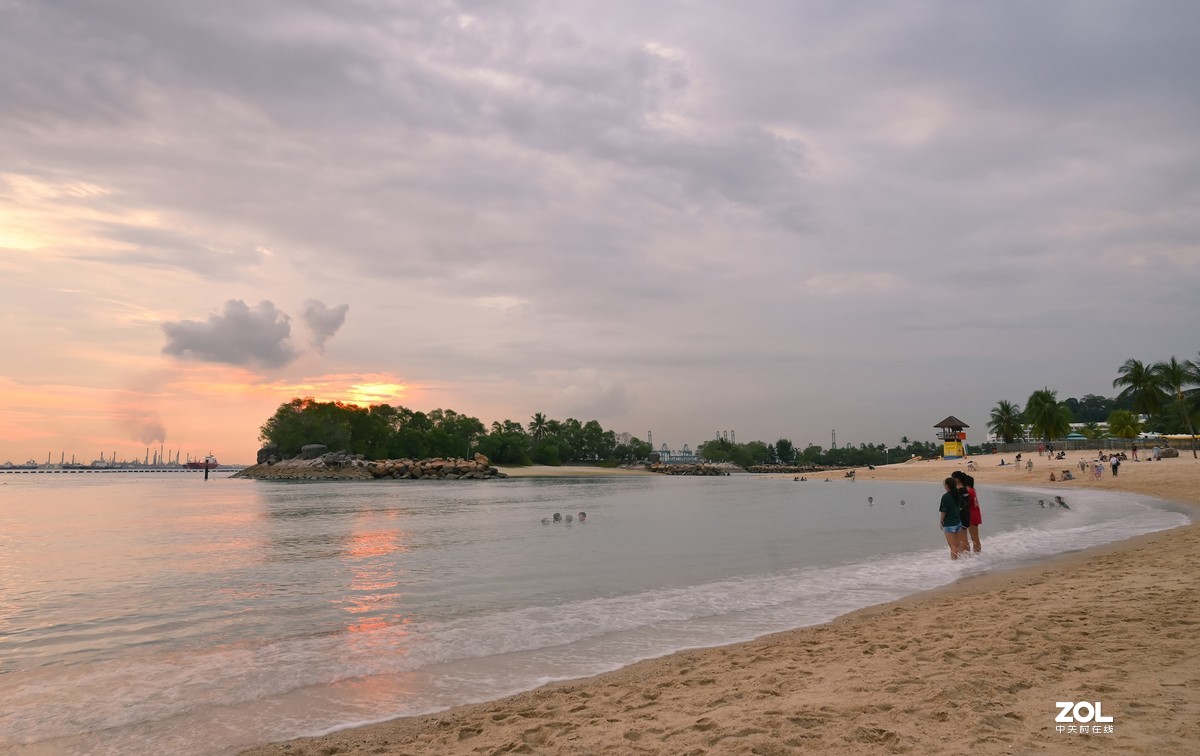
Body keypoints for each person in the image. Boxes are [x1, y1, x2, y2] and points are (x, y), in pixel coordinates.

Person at [951, 470, 983, 553]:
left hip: (970, 514)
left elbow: (963, 505)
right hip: (976, 513)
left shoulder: (966, 491)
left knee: (966, 538)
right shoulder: (972, 490)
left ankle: (970, 557)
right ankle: (977, 556)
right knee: (975, 538)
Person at [938, 477, 967, 559]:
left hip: (949, 524)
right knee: (957, 544)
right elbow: (964, 505)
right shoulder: (957, 494)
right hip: (958, 522)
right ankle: (960, 562)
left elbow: (943, 511)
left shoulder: (945, 496)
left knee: (952, 546)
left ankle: (954, 564)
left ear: (947, 486)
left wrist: (941, 521)